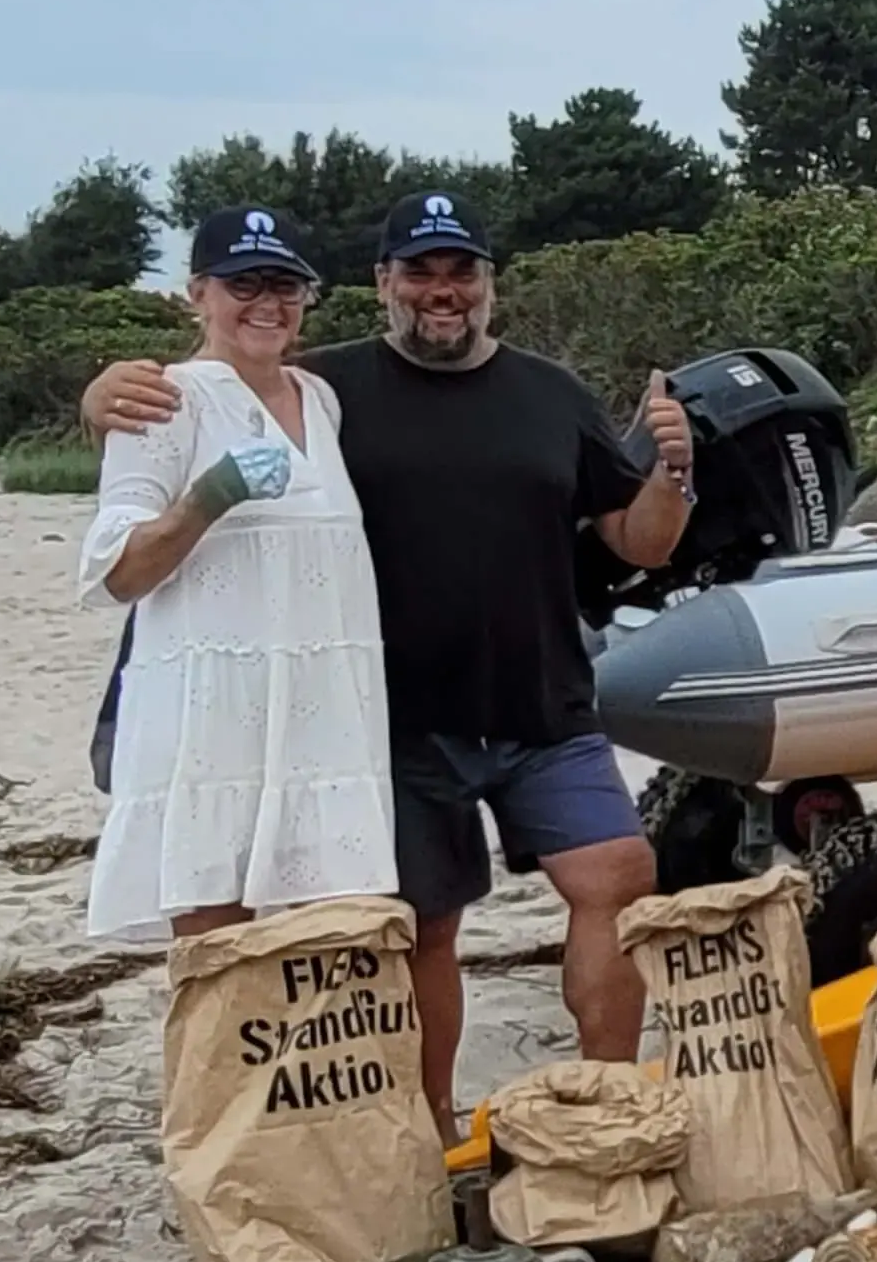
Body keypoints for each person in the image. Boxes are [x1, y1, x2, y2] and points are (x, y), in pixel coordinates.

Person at [78, 192, 695, 1141]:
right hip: (396, 724)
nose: (442, 292)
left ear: (491, 284)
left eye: (462, 272)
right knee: (427, 927)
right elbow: (204, 399)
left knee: (617, 874)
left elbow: (643, 544)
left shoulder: (544, 393)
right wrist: (101, 397)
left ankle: (609, 1107)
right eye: (420, 272)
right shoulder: (329, 387)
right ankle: (434, 1131)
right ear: (382, 285)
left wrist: (673, 470)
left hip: (544, 704)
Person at [76, 206, 398, 949]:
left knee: (337, 941)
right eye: (243, 282)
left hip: (326, 718)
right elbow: (116, 573)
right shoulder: (164, 399)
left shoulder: (321, 398)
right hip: (210, 721)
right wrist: (206, 499)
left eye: (285, 284)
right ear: (198, 293)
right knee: (219, 952)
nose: (267, 302)